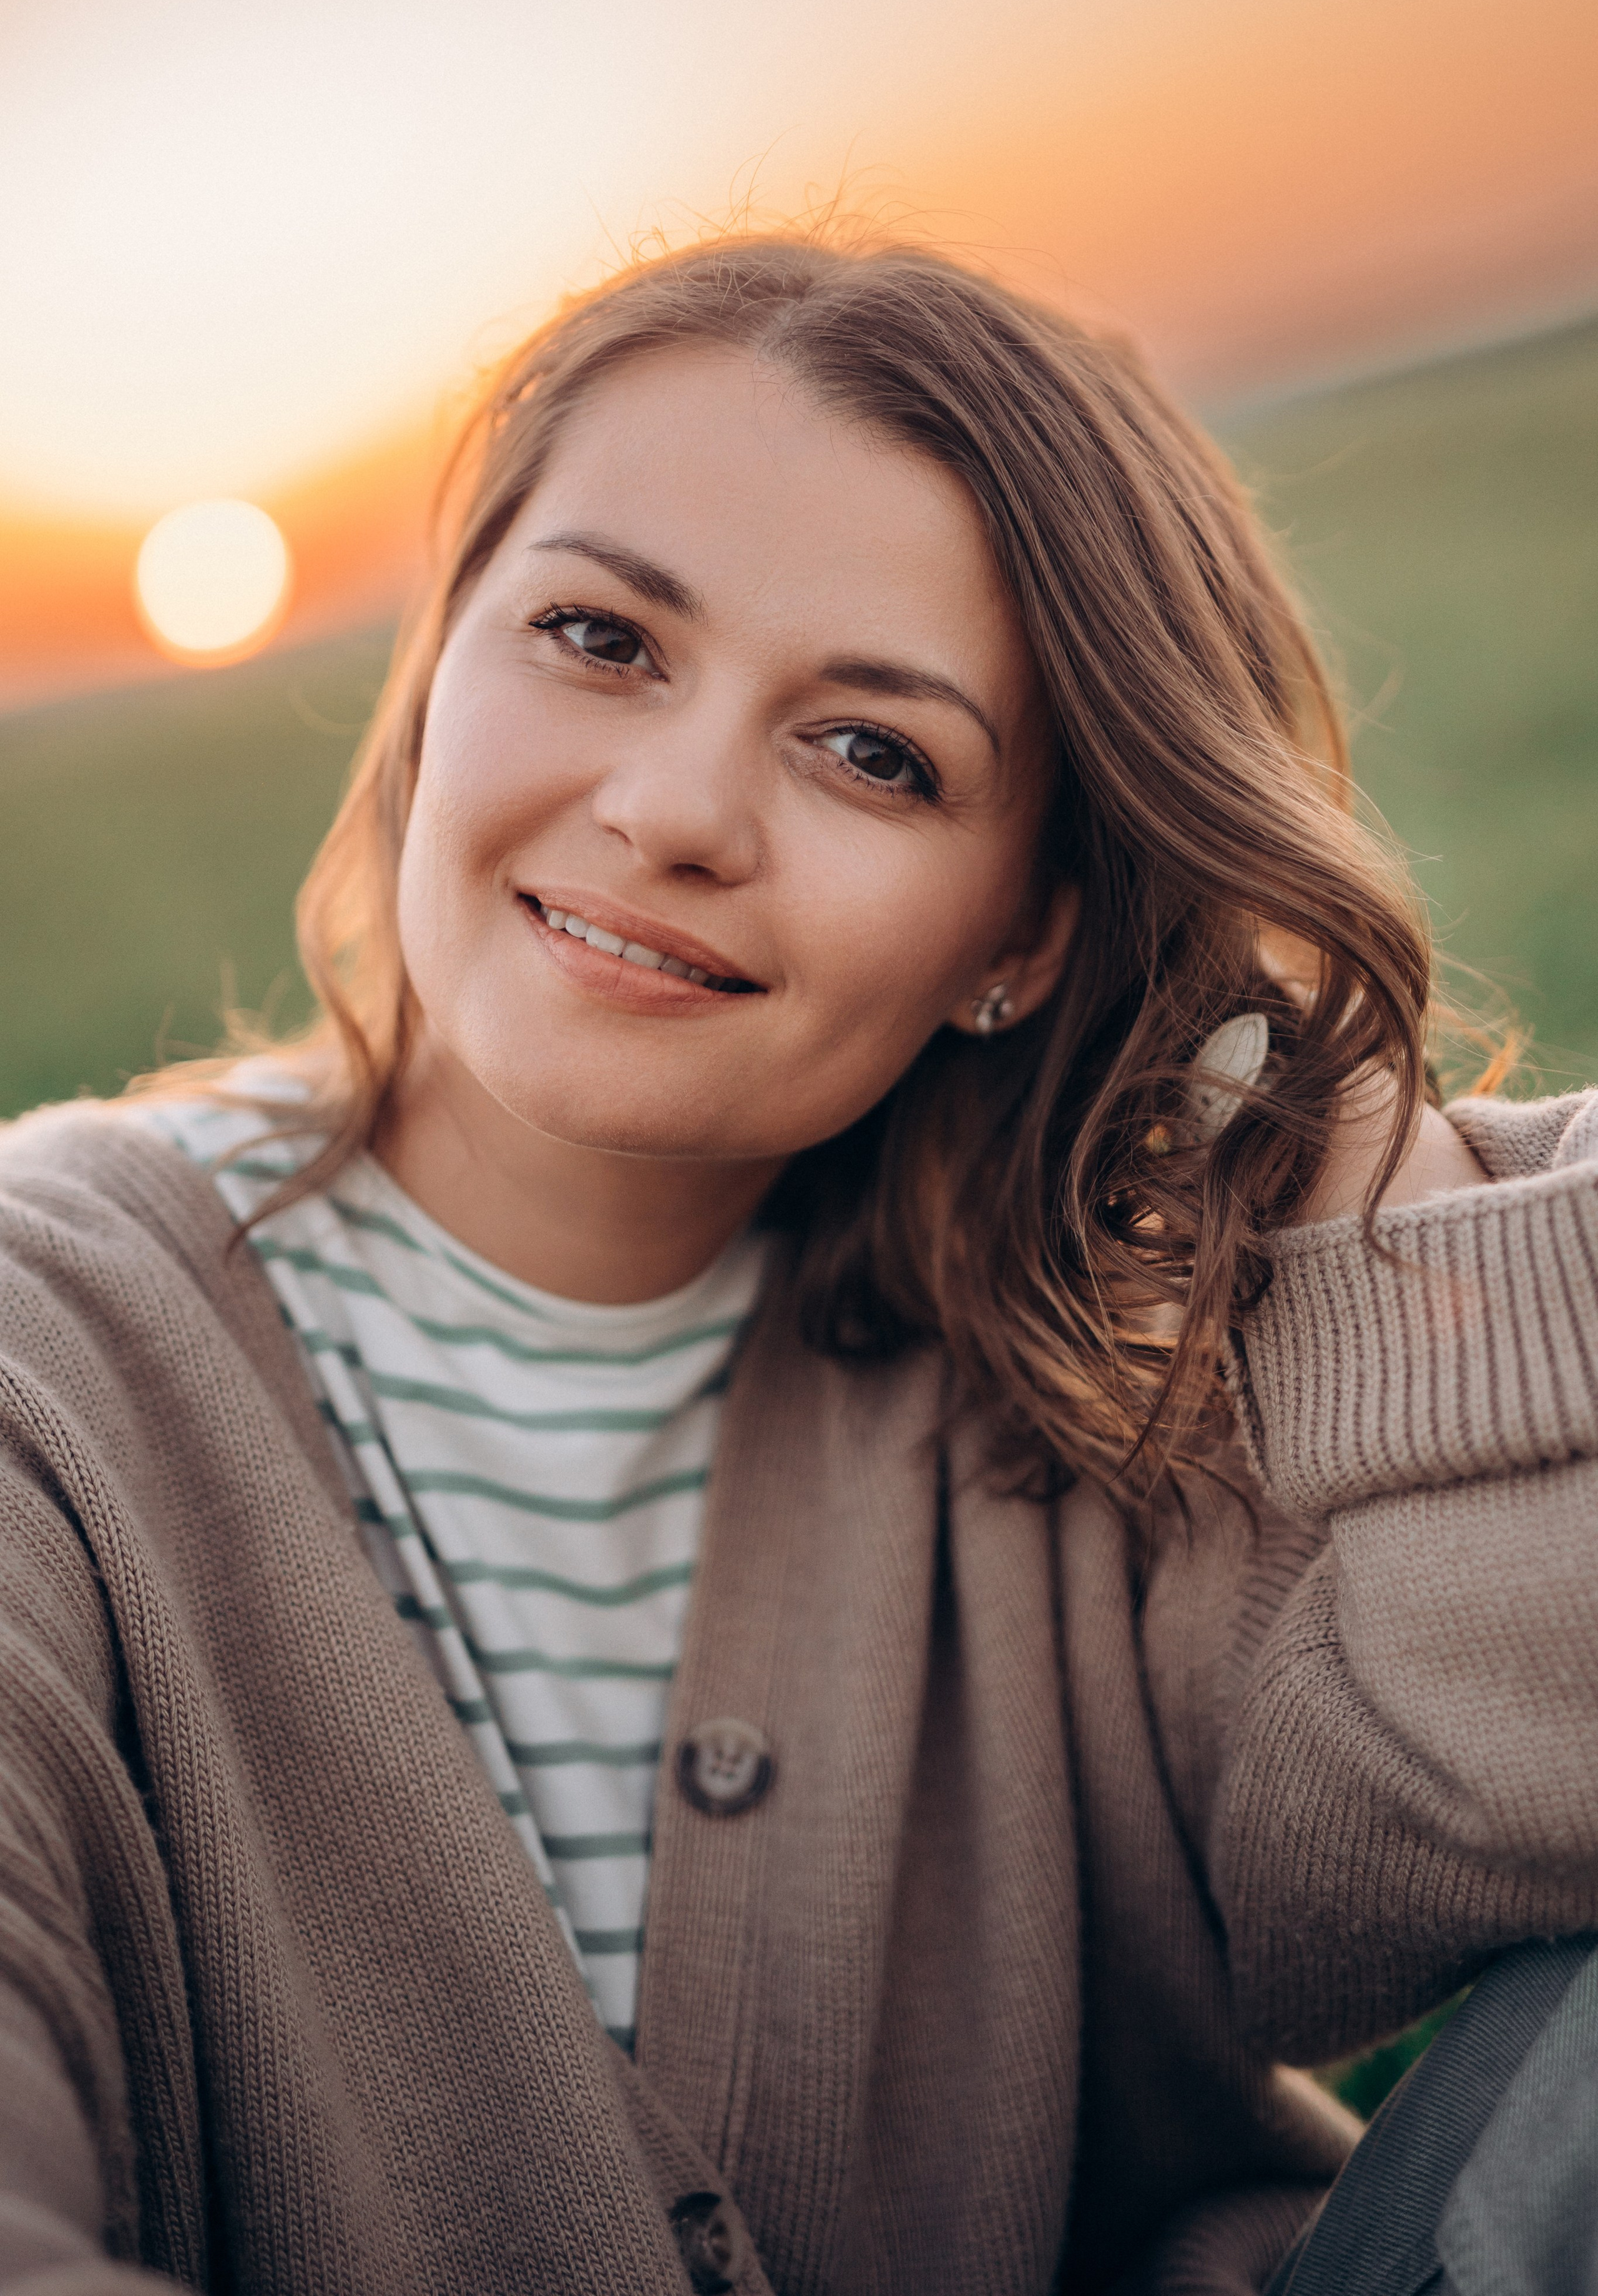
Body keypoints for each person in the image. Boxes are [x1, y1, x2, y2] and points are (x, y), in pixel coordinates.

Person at [0, 232, 1592, 2296]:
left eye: (874, 754)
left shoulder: (1069, 1402)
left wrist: (1345, 1162)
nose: (670, 811)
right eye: (596, 634)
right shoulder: (55, 1369)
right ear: (436, 664)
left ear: (1022, 940)